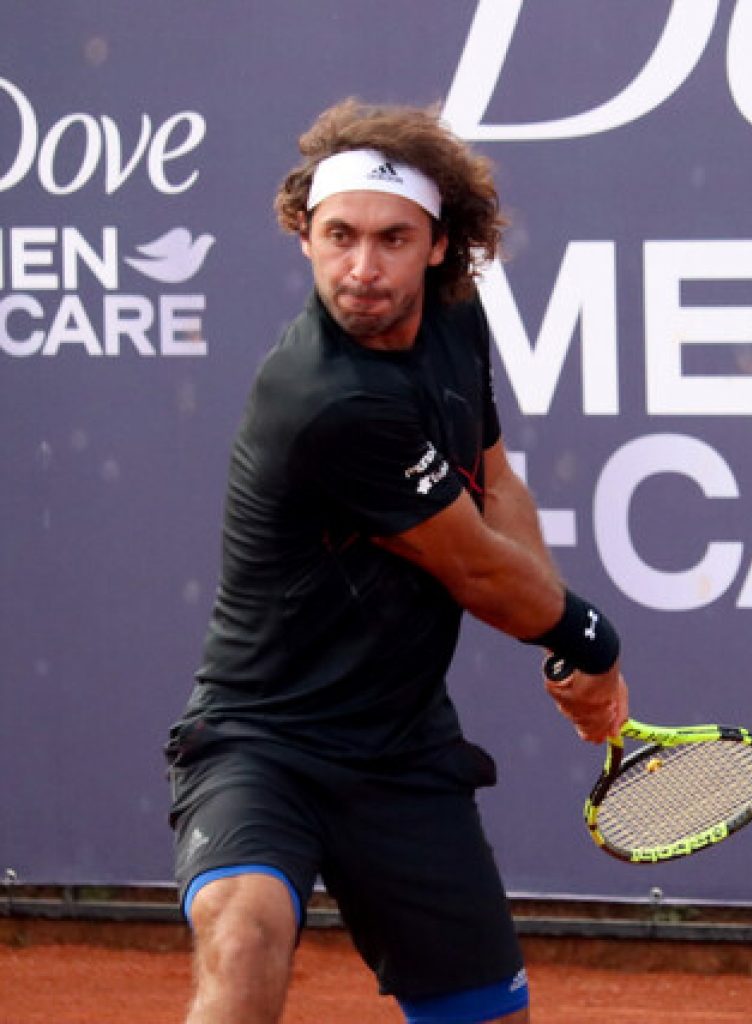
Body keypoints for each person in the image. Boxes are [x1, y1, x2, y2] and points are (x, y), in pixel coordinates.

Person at [165, 98, 628, 1024]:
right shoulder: (327, 399)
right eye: (338, 236)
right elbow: (481, 573)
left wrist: (562, 648)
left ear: (440, 245)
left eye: (391, 239)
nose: (363, 269)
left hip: (404, 751)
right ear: (304, 235)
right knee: (244, 930)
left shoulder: (456, 321)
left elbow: (495, 481)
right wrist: (595, 639)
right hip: (265, 742)